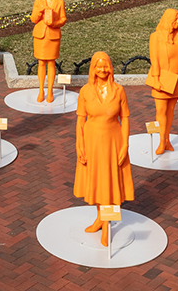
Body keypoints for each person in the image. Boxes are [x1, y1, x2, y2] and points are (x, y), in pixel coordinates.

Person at [74, 51, 134, 247]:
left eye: (105, 65)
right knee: (97, 180)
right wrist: (79, 145)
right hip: (92, 141)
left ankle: (107, 225)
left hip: (113, 141)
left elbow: (124, 118)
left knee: (109, 181)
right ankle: (100, 218)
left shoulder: (119, 90)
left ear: (110, 67)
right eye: (98, 66)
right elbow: (80, 120)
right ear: (92, 68)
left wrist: (125, 145)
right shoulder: (85, 91)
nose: (102, 69)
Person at [146, 8, 178, 155]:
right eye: (175, 20)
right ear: (168, 20)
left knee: (171, 110)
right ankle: (161, 141)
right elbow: (154, 59)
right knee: (161, 111)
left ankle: (166, 139)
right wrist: (156, 79)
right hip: (162, 79)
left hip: (176, 79)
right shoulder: (156, 36)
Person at [30, 0, 67, 103]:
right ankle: (41, 90)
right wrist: (39, 11)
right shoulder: (38, 1)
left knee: (51, 63)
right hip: (40, 35)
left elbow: (63, 19)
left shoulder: (60, 2)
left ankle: (50, 90)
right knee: (41, 62)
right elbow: (33, 19)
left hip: (53, 35)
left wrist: (55, 23)